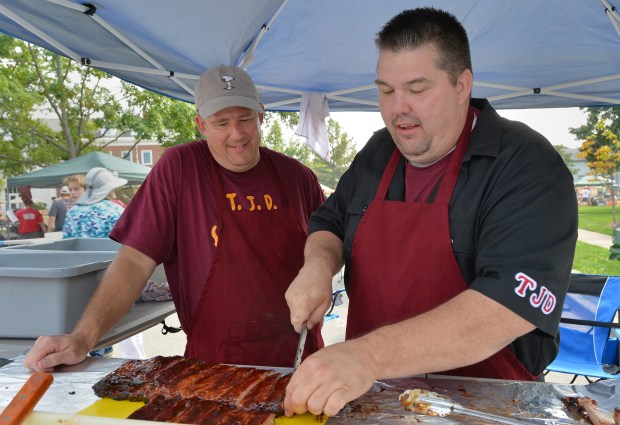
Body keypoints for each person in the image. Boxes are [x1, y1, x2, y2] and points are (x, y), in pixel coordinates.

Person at [283, 7, 577, 417]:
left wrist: (365, 356)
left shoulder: (527, 165)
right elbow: (329, 222)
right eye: (386, 90)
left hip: (486, 408)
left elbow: (503, 309)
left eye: (417, 89)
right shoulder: (377, 152)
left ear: (462, 85)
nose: (397, 109)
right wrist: (317, 265)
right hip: (373, 403)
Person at [24, 65, 325, 372]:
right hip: (215, 367)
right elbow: (135, 260)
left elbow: (328, 247)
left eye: (245, 119)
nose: (236, 134)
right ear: (201, 125)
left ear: (261, 116)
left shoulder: (297, 177)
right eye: (221, 123)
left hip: (303, 359)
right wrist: (83, 338)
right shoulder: (181, 168)